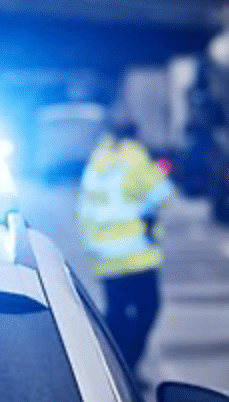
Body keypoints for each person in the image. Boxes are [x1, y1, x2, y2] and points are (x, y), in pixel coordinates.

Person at [79, 120, 176, 381]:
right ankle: (127, 369)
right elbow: (164, 194)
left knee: (116, 314)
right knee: (148, 309)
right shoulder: (134, 158)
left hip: (104, 256)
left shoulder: (98, 161)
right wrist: (159, 169)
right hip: (136, 256)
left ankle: (109, 366)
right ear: (136, 136)